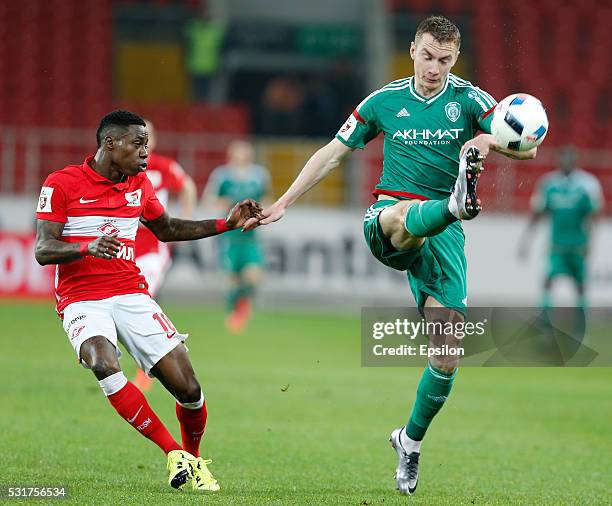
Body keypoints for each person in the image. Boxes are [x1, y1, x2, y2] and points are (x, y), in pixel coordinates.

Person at [244, 16, 537, 495]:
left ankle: (410, 442)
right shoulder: (384, 101)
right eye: (427, 56)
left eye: (444, 59)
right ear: (412, 50)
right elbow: (333, 153)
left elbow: (523, 145)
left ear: (455, 58)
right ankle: (451, 204)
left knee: (448, 355)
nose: (434, 68)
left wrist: (486, 139)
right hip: (388, 216)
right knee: (401, 218)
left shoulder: (470, 100)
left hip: (445, 240)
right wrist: (283, 201)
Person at [34, 110, 261, 492]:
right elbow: (44, 248)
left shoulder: (139, 184)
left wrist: (226, 223)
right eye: (138, 143)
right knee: (101, 361)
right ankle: (172, 451)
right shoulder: (61, 184)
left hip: (131, 295)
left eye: (147, 144)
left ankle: (193, 459)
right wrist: (86, 246)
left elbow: (168, 228)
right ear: (110, 143)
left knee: (189, 390)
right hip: (82, 298)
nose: (146, 152)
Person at [133, 120, 198, 392]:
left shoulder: (162, 166)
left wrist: (184, 220)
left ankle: (148, 366)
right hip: (122, 247)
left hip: (152, 248)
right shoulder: (119, 168)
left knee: (142, 299)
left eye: (148, 136)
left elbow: (188, 187)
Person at [518, 145, 603, 310]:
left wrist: (591, 243)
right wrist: (526, 240)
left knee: (580, 284)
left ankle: (580, 320)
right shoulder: (549, 184)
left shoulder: (587, 185)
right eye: (563, 159)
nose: (566, 162)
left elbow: (593, 217)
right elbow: (537, 213)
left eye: (569, 159)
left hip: (578, 245)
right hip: (557, 245)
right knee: (548, 280)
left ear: (575, 161)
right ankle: (545, 320)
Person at [202, 140, 271, 333]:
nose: (241, 156)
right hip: (229, 236)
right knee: (231, 280)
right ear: (231, 155)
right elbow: (208, 199)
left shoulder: (259, 175)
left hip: (250, 236)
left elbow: (266, 198)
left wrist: (264, 211)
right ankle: (235, 312)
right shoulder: (222, 175)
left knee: (254, 276)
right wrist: (223, 203)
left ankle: (242, 305)